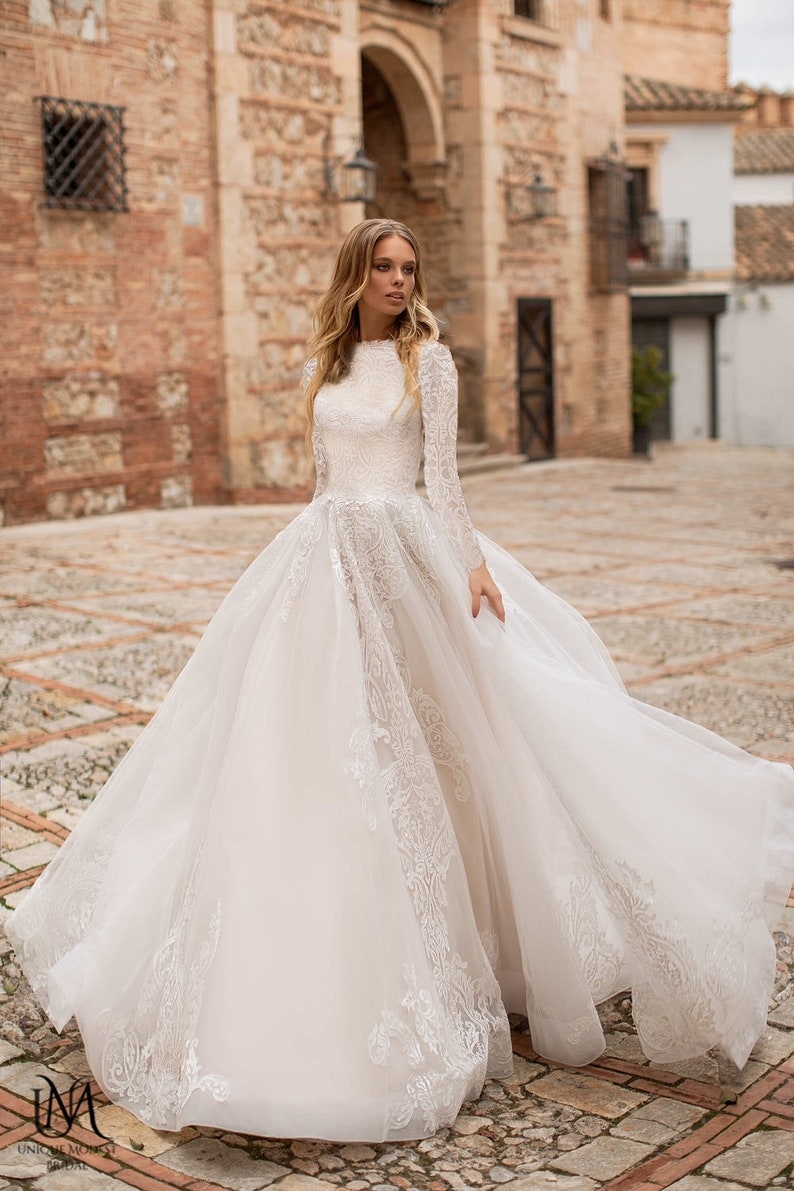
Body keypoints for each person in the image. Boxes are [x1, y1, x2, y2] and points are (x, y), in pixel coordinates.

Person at [5, 218, 794, 1145]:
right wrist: (308, 558)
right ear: (356, 272)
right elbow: (319, 479)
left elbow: (443, 482)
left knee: (446, 747)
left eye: (408, 267)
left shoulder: (433, 362)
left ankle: (487, 945)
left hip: (407, 557)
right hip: (322, 560)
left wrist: (470, 568)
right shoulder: (329, 364)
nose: (396, 279)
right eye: (382, 265)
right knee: (317, 752)